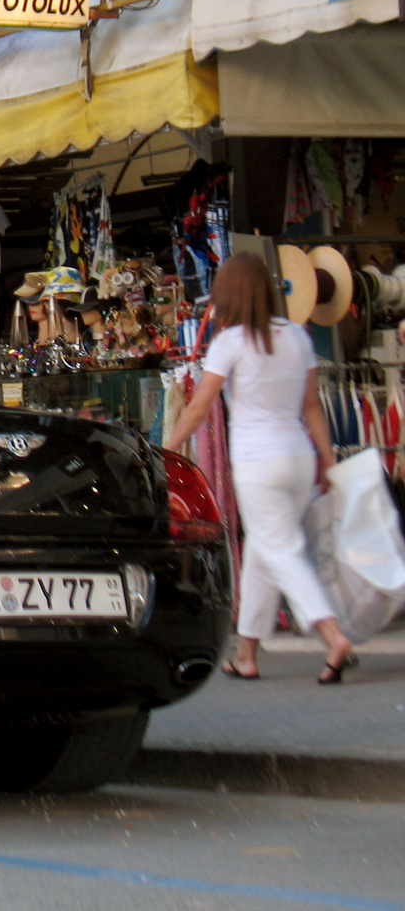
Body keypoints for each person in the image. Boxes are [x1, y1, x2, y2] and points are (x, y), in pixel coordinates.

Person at [163, 252, 353, 684]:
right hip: (299, 457)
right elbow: (312, 408)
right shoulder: (298, 337)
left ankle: (332, 634)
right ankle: (247, 653)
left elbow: (197, 409)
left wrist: (167, 450)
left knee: (281, 550)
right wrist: (326, 458)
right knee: (267, 552)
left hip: (257, 462)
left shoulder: (229, 343)